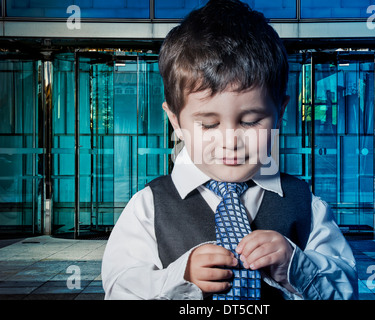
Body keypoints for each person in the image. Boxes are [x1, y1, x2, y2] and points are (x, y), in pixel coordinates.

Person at [101, 0, 358, 300]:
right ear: (176, 121)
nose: (230, 141)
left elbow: (345, 292)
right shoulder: (148, 207)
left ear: (280, 113)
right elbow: (120, 289)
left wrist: (295, 266)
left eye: (250, 121)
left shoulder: (307, 205)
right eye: (208, 125)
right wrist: (179, 277)